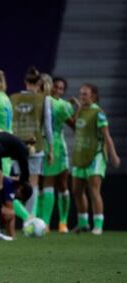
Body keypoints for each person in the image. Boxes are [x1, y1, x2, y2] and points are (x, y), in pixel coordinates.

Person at [71, 83, 120, 235]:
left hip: (95, 156)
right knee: (77, 190)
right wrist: (77, 106)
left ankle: (98, 225)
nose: (82, 96)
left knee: (94, 190)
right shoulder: (80, 110)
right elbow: (76, 127)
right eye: (81, 93)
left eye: (85, 94)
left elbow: (106, 136)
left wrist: (113, 155)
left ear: (93, 96)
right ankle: (83, 223)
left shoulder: (99, 113)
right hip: (80, 154)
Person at [10, 67, 53, 216]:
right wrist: (51, 148)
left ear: (25, 81)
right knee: (33, 183)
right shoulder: (44, 99)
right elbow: (47, 126)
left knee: (17, 182)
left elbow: (9, 123)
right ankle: (30, 219)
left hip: (15, 146)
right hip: (36, 145)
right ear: (39, 82)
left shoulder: (13, 98)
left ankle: (22, 217)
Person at [39, 76, 74, 232]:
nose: (58, 91)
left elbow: (74, 125)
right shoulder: (43, 101)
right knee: (42, 183)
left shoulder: (62, 105)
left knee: (61, 184)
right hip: (44, 144)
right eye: (56, 87)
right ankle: (44, 222)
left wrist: (76, 109)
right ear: (50, 86)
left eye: (61, 89)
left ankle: (62, 222)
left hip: (59, 146)